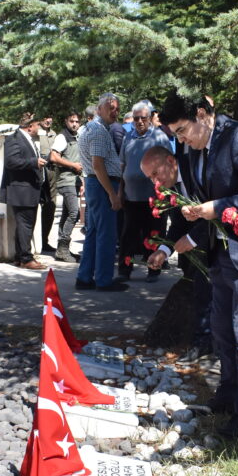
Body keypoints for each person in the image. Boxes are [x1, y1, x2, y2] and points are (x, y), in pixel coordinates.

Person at [159, 91, 238, 439]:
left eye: (183, 130)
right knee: (223, 332)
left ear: (203, 114)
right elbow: (201, 197)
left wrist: (218, 207)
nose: (181, 140)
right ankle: (228, 396)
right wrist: (196, 215)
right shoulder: (187, 147)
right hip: (221, 251)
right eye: (176, 135)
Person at [144, 145, 213, 357]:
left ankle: (207, 346)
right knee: (201, 291)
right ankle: (202, 344)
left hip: (220, 242)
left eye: (155, 173)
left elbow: (215, 212)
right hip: (199, 246)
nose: (155, 182)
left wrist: (193, 238)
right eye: (149, 177)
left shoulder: (198, 171)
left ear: (171, 162)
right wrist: (164, 250)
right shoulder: (171, 186)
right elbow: (178, 225)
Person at [77, 92, 128, 292]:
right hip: (102, 186)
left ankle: (85, 277)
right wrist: (112, 194)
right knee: (106, 235)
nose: (115, 112)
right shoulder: (98, 131)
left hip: (96, 185)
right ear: (99, 109)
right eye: (110, 108)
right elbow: (98, 165)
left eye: (117, 108)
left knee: (94, 233)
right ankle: (104, 280)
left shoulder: (94, 128)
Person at [117, 101, 170, 283]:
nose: (139, 122)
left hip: (153, 198)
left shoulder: (160, 137)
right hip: (131, 196)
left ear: (149, 118)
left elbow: (168, 167)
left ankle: (153, 270)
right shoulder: (128, 138)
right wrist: (119, 193)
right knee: (128, 236)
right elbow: (122, 166)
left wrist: (163, 193)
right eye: (136, 118)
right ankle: (124, 269)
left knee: (154, 235)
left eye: (143, 118)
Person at [1, 113, 48, 271]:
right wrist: (33, 162)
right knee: (25, 224)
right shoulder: (14, 139)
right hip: (21, 190)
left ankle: (19, 257)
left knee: (24, 224)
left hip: (29, 189)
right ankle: (26, 258)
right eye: (37, 125)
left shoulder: (26, 139)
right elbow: (10, 161)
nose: (39, 128)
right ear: (30, 127)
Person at [49, 112, 84, 262]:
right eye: (72, 121)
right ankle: (63, 248)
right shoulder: (62, 137)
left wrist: (81, 181)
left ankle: (62, 250)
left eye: (77, 121)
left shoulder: (77, 136)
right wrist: (73, 166)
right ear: (66, 121)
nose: (74, 124)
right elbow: (53, 157)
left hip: (74, 181)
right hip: (66, 180)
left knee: (66, 214)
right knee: (74, 214)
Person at [36, 116, 58, 254]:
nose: (48, 120)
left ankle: (44, 240)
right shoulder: (35, 133)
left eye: (50, 117)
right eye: (45, 117)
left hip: (53, 172)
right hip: (39, 171)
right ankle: (36, 241)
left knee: (51, 206)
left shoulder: (55, 134)